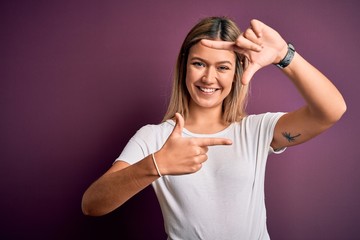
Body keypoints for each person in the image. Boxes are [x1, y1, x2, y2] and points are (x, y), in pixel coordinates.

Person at [81, 16, 346, 239]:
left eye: (222, 67)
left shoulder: (255, 130)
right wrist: (155, 164)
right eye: (199, 64)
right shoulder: (155, 137)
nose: (209, 78)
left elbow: (331, 110)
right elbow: (92, 204)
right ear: (184, 65)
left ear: (237, 72)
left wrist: (283, 55)